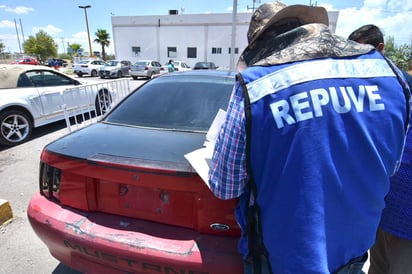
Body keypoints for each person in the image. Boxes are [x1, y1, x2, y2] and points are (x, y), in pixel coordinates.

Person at [208, 2, 410, 273]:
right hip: (353, 252)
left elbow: (225, 186)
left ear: (264, 44)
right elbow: (390, 167)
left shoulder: (257, 86)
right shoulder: (391, 77)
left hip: (281, 258)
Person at [349, 24, 412, 274]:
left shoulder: (400, 86)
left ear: (381, 49)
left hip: (406, 215)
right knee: (377, 267)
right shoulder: (359, 87)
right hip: (381, 208)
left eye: (363, 53)